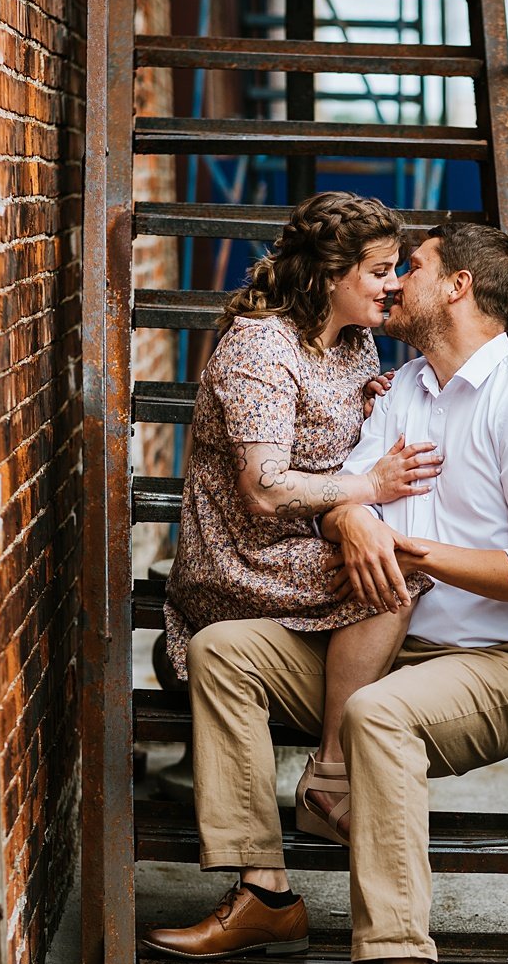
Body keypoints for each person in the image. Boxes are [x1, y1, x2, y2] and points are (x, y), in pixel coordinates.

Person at [143, 221, 508, 964]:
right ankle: (264, 890)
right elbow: (354, 491)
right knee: (224, 650)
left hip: (496, 670)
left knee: (379, 714)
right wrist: (353, 514)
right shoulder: (407, 388)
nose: (393, 284)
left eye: (408, 268)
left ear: (456, 286)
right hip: (381, 644)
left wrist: (408, 550)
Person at [162, 191, 443, 843]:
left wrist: (375, 408)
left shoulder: (355, 346)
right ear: (327, 276)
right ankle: (334, 775)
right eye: (378, 271)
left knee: (397, 561)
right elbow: (263, 489)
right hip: (237, 555)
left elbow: (334, 440)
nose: (393, 286)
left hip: (300, 548)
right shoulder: (261, 350)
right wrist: (368, 485)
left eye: (397, 269)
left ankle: (343, 758)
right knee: (400, 570)